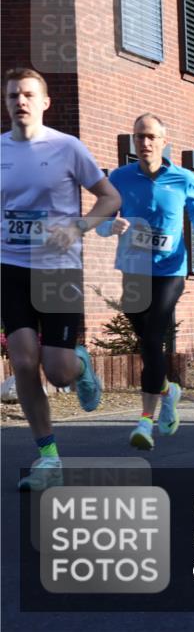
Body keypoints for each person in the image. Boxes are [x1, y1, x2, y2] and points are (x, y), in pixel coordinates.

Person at [1, 67, 121, 490]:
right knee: (23, 361)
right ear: (6, 102)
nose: (21, 102)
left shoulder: (67, 147)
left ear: (44, 102)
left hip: (58, 269)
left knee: (58, 372)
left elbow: (111, 197)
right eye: (13, 95)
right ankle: (48, 457)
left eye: (29, 94)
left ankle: (80, 363)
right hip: (12, 268)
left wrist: (79, 228)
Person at [98, 113, 194, 450]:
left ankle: (145, 422)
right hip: (134, 269)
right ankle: (169, 391)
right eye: (139, 137)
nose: (145, 143)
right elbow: (104, 219)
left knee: (153, 337)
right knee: (146, 341)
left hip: (170, 271)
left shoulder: (182, 178)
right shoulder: (120, 177)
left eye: (151, 136)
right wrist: (112, 227)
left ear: (164, 141)